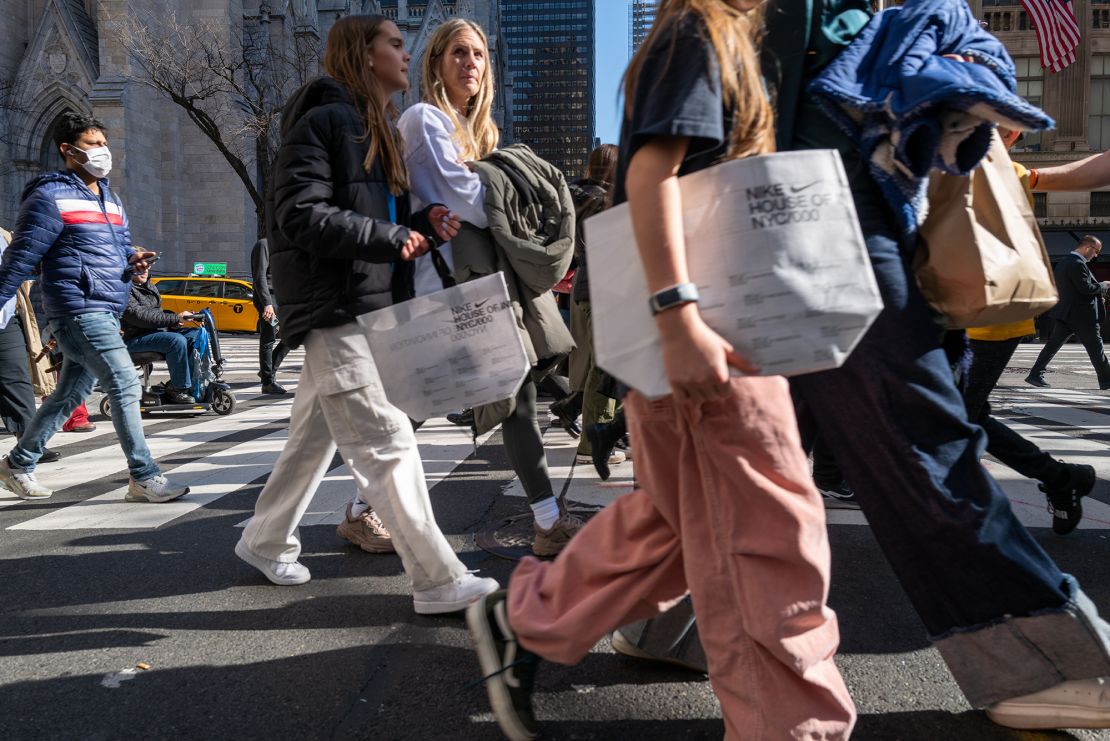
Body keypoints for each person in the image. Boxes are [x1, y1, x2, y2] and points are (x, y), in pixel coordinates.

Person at [467, 2, 855, 739]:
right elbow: (651, 174)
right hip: (712, 332)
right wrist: (679, 316)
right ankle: (794, 727)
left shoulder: (718, 37)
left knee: (682, 528)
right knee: (770, 544)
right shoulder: (702, 33)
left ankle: (525, 618)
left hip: (711, 329)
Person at [234, 15, 499, 615]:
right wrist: (386, 235)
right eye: (395, 43)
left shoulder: (372, 128)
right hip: (335, 307)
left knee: (311, 437)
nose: (407, 54)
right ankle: (436, 578)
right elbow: (299, 214)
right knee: (387, 438)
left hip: (365, 305)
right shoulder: (326, 122)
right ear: (363, 53)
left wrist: (418, 227)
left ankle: (264, 537)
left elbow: (374, 221)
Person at [398, 19, 583, 557]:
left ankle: (548, 522)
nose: (470, 63)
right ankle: (361, 509)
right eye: (458, 52)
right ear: (435, 61)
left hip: (480, 286)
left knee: (515, 393)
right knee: (420, 402)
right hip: (444, 285)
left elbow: (489, 202)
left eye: (478, 54)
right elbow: (473, 202)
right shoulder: (425, 119)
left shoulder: (477, 134)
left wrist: (487, 174)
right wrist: (496, 182)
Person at [0, 111, 187, 503]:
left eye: (105, 144)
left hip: (106, 307)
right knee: (123, 382)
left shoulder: (111, 198)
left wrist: (134, 262)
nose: (104, 152)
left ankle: (18, 463)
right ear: (68, 150)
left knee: (67, 396)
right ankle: (143, 475)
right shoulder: (49, 196)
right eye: (94, 145)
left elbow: (120, 249)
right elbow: (19, 258)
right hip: (75, 308)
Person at [565, 144, 626, 470]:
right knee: (604, 367)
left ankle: (606, 435)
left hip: (591, 287)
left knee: (604, 365)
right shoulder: (601, 201)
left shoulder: (578, 198)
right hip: (608, 288)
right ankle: (593, 442)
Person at [1024, 235, 1110, 389]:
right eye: (1096, 251)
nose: (1096, 255)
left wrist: (1097, 297)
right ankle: (1106, 381)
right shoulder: (1076, 264)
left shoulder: (1064, 262)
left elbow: (1072, 290)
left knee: (1052, 346)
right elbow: (1084, 288)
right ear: (1087, 247)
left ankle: (1035, 374)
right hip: (1082, 316)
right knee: (1096, 349)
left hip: (1067, 314)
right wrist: (1103, 286)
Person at [121, 270, 199, 405]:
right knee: (176, 341)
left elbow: (157, 313)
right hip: (132, 339)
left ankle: (191, 382)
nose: (144, 271)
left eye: (147, 266)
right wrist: (174, 318)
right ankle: (178, 389)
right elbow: (140, 316)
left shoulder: (148, 285)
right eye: (139, 268)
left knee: (194, 335)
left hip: (151, 333)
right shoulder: (124, 289)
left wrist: (179, 319)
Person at [250, 238, 290, 395]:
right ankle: (268, 381)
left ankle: (267, 369)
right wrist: (267, 304)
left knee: (290, 336)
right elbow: (259, 276)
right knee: (269, 338)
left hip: (281, 302)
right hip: (269, 302)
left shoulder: (281, 246)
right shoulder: (264, 245)